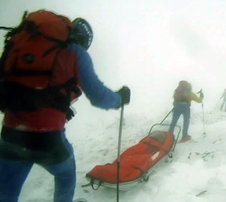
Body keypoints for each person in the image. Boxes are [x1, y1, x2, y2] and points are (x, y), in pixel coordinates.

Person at [0, 10, 130, 202]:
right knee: (65, 175)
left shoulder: (26, 44)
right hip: (48, 140)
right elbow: (99, 97)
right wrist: (119, 98)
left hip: (11, 135)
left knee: (5, 192)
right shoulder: (76, 52)